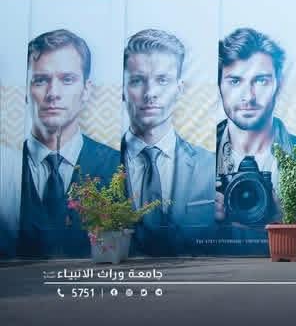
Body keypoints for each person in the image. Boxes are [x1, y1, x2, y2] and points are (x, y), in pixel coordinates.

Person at [19, 29, 120, 257]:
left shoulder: (117, 166)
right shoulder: (7, 166)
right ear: (26, 90)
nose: (53, 93)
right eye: (41, 80)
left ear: (86, 90)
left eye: (67, 79)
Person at [121, 29, 215, 255]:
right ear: (123, 89)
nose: (150, 93)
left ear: (179, 89)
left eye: (162, 80)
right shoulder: (100, 165)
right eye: (137, 80)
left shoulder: (209, 166)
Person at [215, 28, 296, 228]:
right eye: (235, 81)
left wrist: (285, 216)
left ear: (279, 85)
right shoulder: (197, 158)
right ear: (219, 86)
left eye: (261, 80)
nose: (249, 96)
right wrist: (206, 218)